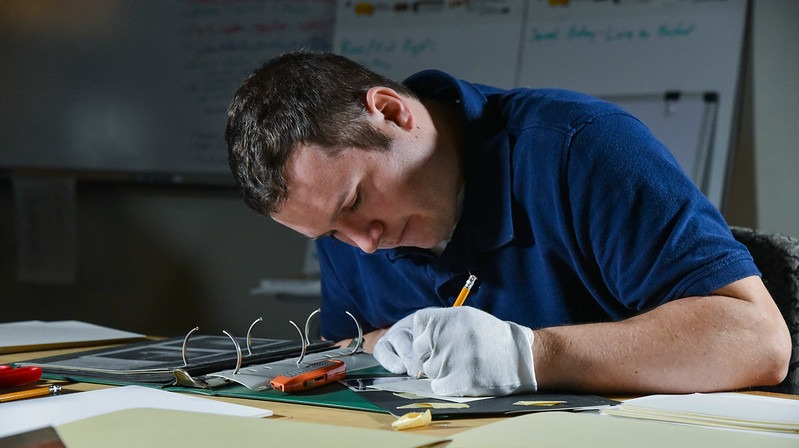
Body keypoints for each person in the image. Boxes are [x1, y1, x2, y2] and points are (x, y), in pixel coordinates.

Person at [226, 50, 791, 396]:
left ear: (393, 113)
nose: (363, 247)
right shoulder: (351, 230)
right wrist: (379, 347)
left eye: (353, 204)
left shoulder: (581, 148)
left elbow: (758, 342)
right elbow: (356, 346)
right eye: (329, 235)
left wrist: (532, 355)